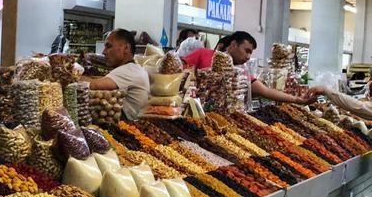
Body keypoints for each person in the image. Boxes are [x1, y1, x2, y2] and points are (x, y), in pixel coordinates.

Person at [182, 30, 311, 105]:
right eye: (247, 51)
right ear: (233, 44)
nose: (248, 57)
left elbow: (265, 91)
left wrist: (296, 99)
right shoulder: (202, 54)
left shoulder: (240, 73)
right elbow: (179, 75)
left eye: (250, 53)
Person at [86, 29, 150, 121]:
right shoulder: (133, 68)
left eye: (108, 46)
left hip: (128, 125)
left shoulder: (129, 70)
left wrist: (73, 76)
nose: (104, 52)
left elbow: (93, 85)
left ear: (126, 48)